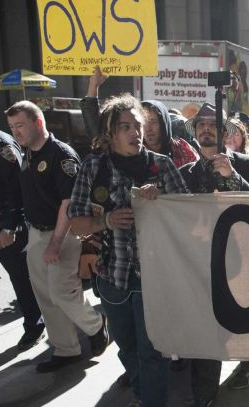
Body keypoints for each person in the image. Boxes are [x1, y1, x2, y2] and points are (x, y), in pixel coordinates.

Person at [68, 94, 189, 407]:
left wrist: (162, 198)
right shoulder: (94, 167)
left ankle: (151, 402)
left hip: (156, 278)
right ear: (110, 133)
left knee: (153, 352)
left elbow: (190, 218)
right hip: (113, 278)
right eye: (126, 127)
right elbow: (77, 224)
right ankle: (143, 394)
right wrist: (106, 219)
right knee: (128, 349)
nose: (136, 132)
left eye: (138, 125)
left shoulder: (161, 166)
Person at [6, 101, 109, 372]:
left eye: (20, 125)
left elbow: (68, 203)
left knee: (62, 291)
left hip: (63, 233)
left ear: (38, 123)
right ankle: (66, 349)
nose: (16, 132)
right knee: (45, 295)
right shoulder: (27, 153)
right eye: (12, 127)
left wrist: (54, 244)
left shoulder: (61, 155)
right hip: (37, 232)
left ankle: (96, 326)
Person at [179, 103, 249, 406]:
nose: (205, 130)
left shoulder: (244, 163)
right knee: (205, 334)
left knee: (244, 328)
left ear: (223, 131)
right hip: (200, 263)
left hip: (240, 262)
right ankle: (204, 396)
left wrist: (232, 177)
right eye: (199, 126)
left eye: (211, 125)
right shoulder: (187, 172)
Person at [0, 94, 43, 359]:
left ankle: (34, 327)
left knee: (22, 280)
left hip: (4, 225)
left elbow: (19, 188)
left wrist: (10, 226)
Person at [141, 99, 199, 168]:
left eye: (153, 122)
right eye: (143, 122)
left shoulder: (183, 150)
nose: (148, 128)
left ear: (163, 124)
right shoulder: (135, 152)